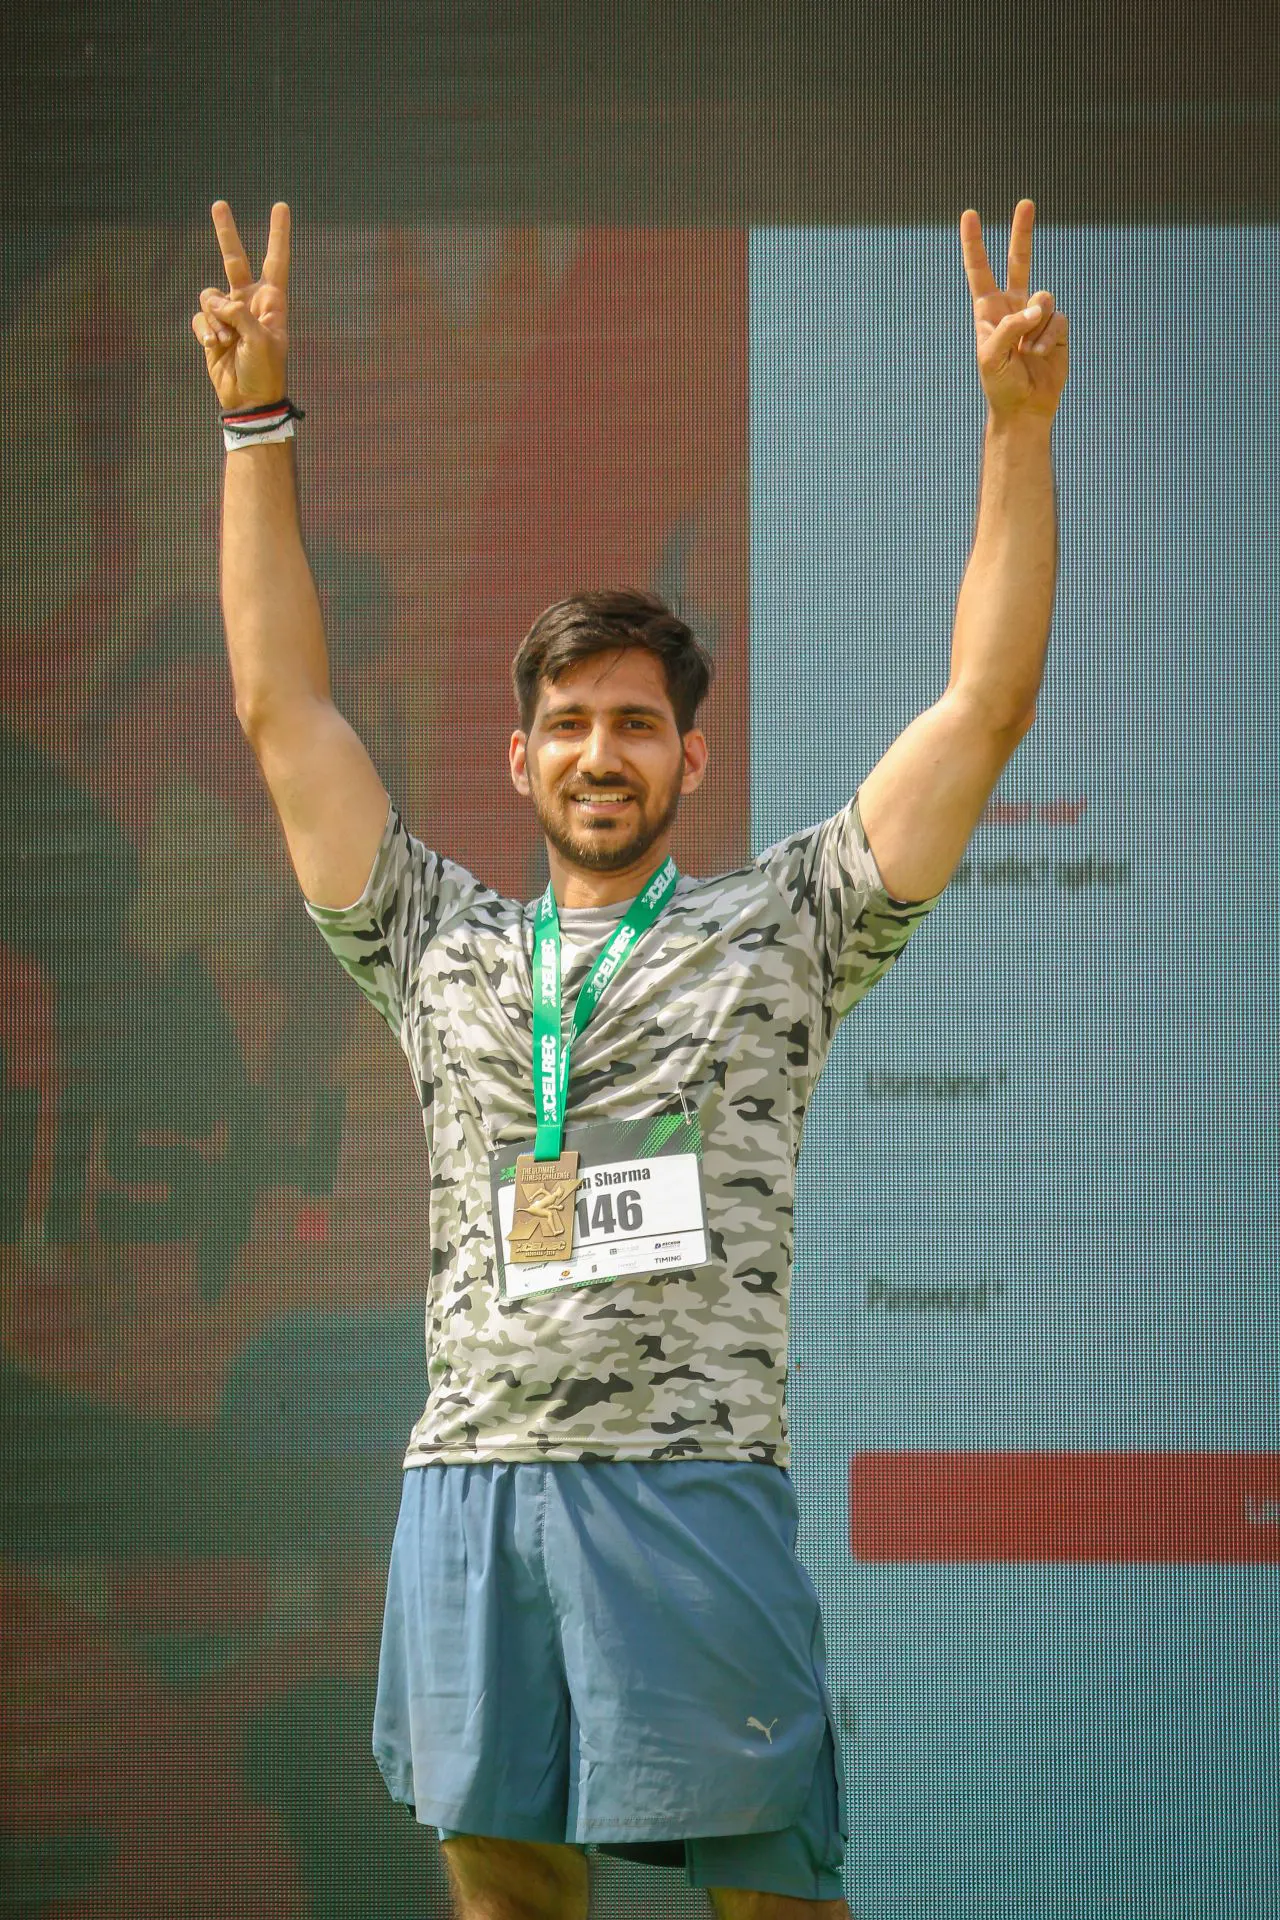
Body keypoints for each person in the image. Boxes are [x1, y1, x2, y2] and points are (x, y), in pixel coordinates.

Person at [193, 196, 1068, 1920]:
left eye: (639, 725)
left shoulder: (786, 926)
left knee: (776, 1905)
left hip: (691, 1484)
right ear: (519, 759)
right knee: (508, 1902)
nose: (604, 752)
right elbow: (280, 709)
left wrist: (1018, 432)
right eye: (571, 724)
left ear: (692, 759)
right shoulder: (438, 942)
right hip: (470, 1486)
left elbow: (984, 706)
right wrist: (254, 425)